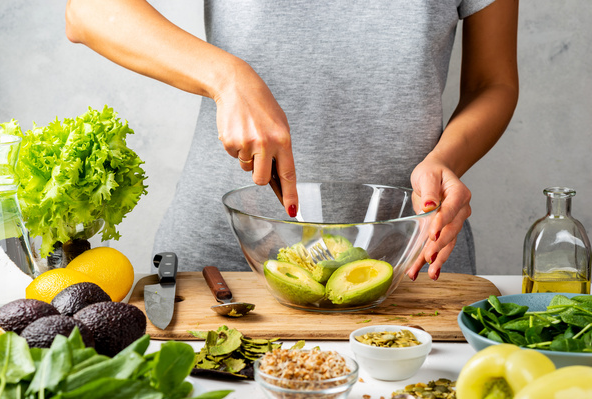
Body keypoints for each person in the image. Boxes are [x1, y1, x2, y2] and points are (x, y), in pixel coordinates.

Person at [65, 0, 519, 280]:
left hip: (409, 257)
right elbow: (87, 9)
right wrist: (227, 77)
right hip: (223, 262)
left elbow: (491, 82)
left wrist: (445, 160)